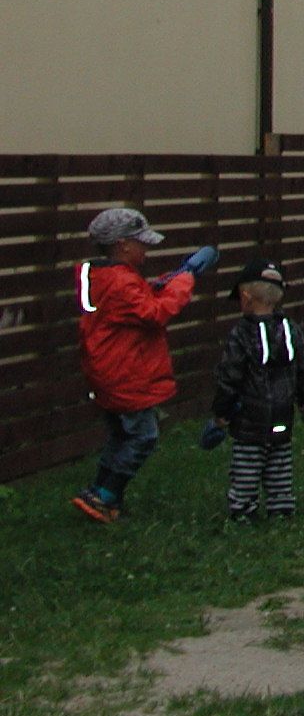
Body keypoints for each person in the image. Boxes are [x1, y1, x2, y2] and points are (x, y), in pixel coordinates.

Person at [72, 207, 198, 523]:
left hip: (106, 372)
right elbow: (154, 314)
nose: (146, 249)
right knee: (143, 437)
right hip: (126, 373)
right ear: (123, 245)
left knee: (120, 436)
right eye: (141, 243)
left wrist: (156, 286)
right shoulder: (121, 282)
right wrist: (182, 285)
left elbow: (129, 305)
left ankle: (99, 491)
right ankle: (105, 496)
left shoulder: (100, 276)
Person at [205, 258, 304, 522]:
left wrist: (222, 412)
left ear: (246, 297)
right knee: (279, 459)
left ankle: (243, 508)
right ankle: (281, 506)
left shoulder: (241, 334)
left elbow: (230, 376)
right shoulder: (289, 329)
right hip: (282, 416)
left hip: (249, 419)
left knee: (247, 462)